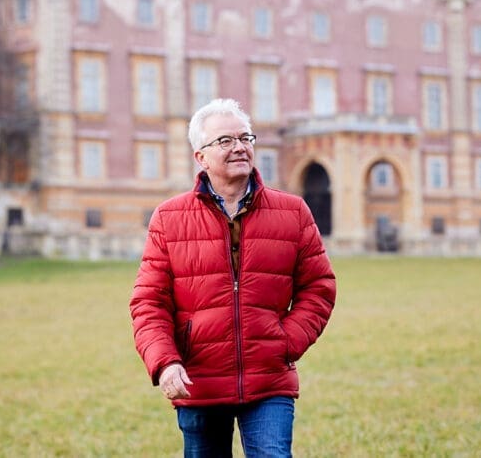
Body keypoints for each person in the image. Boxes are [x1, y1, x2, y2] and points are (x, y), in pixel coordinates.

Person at [130, 98, 336, 457]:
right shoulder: (168, 218)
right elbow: (149, 302)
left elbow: (319, 288)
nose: (239, 147)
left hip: (269, 380)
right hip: (199, 382)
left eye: (245, 137)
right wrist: (165, 362)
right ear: (201, 157)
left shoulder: (293, 212)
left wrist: (284, 342)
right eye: (225, 140)